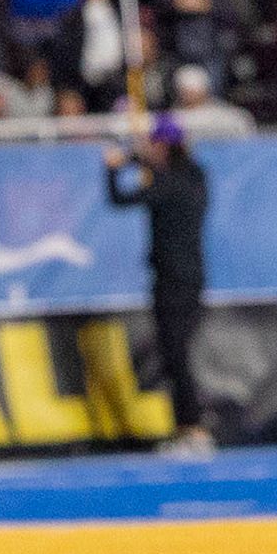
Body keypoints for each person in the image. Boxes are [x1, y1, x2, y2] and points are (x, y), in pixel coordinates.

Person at [104, 118, 214, 455]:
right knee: (175, 355)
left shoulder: (169, 183)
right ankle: (186, 428)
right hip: (190, 277)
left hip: (172, 280)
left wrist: (114, 168)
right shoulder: (195, 177)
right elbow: (166, 169)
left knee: (176, 355)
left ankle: (193, 429)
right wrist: (141, 158)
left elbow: (120, 199)